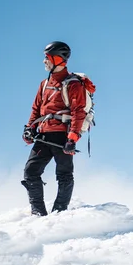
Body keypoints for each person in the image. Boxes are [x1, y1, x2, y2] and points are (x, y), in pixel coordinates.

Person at [21, 41, 87, 216]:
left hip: (62, 136)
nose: (44, 61)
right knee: (30, 172)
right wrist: (29, 128)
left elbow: (78, 112)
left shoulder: (73, 84)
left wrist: (72, 138)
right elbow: (36, 109)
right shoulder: (44, 84)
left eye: (47, 57)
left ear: (57, 59)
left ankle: (60, 213)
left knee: (64, 174)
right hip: (43, 135)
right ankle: (38, 213)